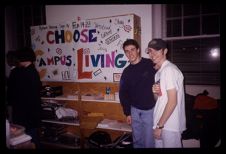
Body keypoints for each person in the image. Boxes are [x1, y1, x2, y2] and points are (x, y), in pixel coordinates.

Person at [146, 38, 186, 148]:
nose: (152, 54)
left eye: (157, 50)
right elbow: (159, 99)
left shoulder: (169, 70)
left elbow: (172, 102)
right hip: (161, 122)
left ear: (165, 51)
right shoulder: (159, 72)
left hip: (169, 125)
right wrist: (155, 92)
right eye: (150, 51)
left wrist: (160, 126)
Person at [119, 39, 156, 148]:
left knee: (149, 143)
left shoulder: (150, 64)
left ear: (138, 50)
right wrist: (127, 113)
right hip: (134, 111)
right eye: (127, 51)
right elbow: (123, 93)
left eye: (132, 50)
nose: (130, 53)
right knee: (137, 142)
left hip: (150, 111)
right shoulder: (126, 72)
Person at [6, 47, 42, 148]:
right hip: (28, 113)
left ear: (24, 59)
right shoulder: (29, 71)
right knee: (29, 139)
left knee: (30, 139)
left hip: (27, 114)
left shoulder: (25, 72)